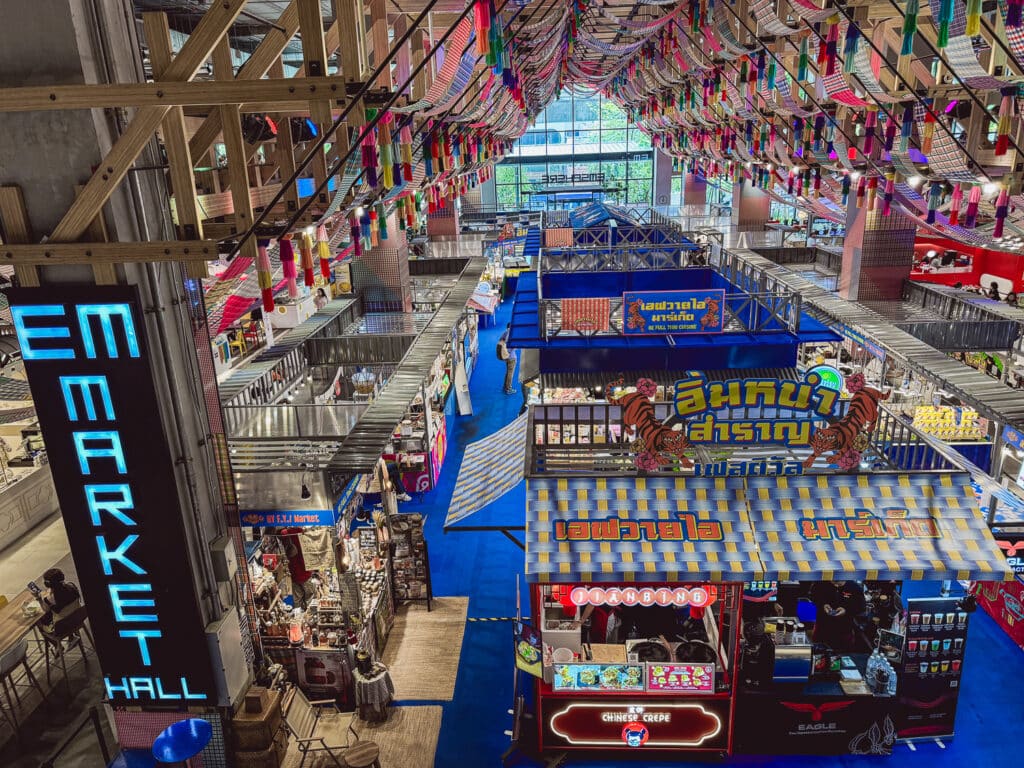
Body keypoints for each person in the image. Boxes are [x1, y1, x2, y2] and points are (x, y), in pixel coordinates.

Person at [810, 580, 866, 651]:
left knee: (841, 655)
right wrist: (823, 605)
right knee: (819, 655)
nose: (835, 584)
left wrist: (846, 610)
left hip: (844, 631)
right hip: (822, 628)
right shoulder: (820, 583)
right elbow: (813, 597)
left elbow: (861, 607)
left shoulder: (854, 588)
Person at [497, 325, 517, 395]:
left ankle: (505, 386)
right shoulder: (513, 334)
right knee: (510, 374)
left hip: (505, 356)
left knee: (507, 372)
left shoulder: (505, 332)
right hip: (512, 357)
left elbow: (500, 341)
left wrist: (505, 350)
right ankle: (508, 388)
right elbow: (515, 346)